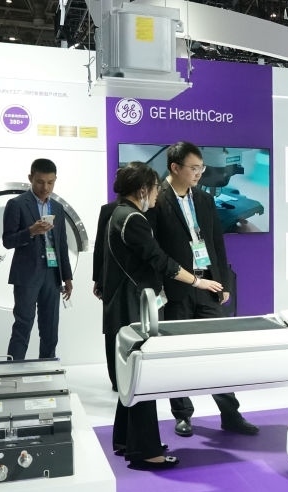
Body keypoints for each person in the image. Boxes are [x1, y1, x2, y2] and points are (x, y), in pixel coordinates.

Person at [101, 161, 223, 469]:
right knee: (143, 377)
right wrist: (197, 281)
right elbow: (160, 260)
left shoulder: (119, 214)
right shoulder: (133, 219)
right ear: (143, 189)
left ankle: (126, 440)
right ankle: (146, 452)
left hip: (126, 305)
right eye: (155, 188)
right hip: (136, 306)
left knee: (131, 377)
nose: (158, 194)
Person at [150, 141, 258, 438]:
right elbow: (155, 250)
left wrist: (223, 282)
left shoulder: (204, 199)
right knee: (178, 355)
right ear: (175, 167)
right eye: (194, 168)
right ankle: (182, 415)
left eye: (201, 168)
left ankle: (230, 414)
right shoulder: (157, 199)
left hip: (208, 284)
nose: (199, 173)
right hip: (176, 288)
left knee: (218, 352)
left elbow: (215, 243)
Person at [2, 158, 73, 360]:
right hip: (27, 275)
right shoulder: (16, 204)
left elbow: (62, 244)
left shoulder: (57, 208)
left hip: (52, 274)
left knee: (50, 327)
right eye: (40, 182)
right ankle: (14, 371)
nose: (45, 187)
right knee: (23, 325)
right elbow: (8, 241)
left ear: (55, 180)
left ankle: (47, 369)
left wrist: (67, 277)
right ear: (30, 178)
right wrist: (31, 231)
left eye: (50, 182)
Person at [91, 199, 118, 391]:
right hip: (110, 278)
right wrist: (98, 279)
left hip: (141, 282)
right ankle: (116, 378)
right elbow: (100, 246)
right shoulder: (108, 210)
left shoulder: (151, 207)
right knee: (112, 329)